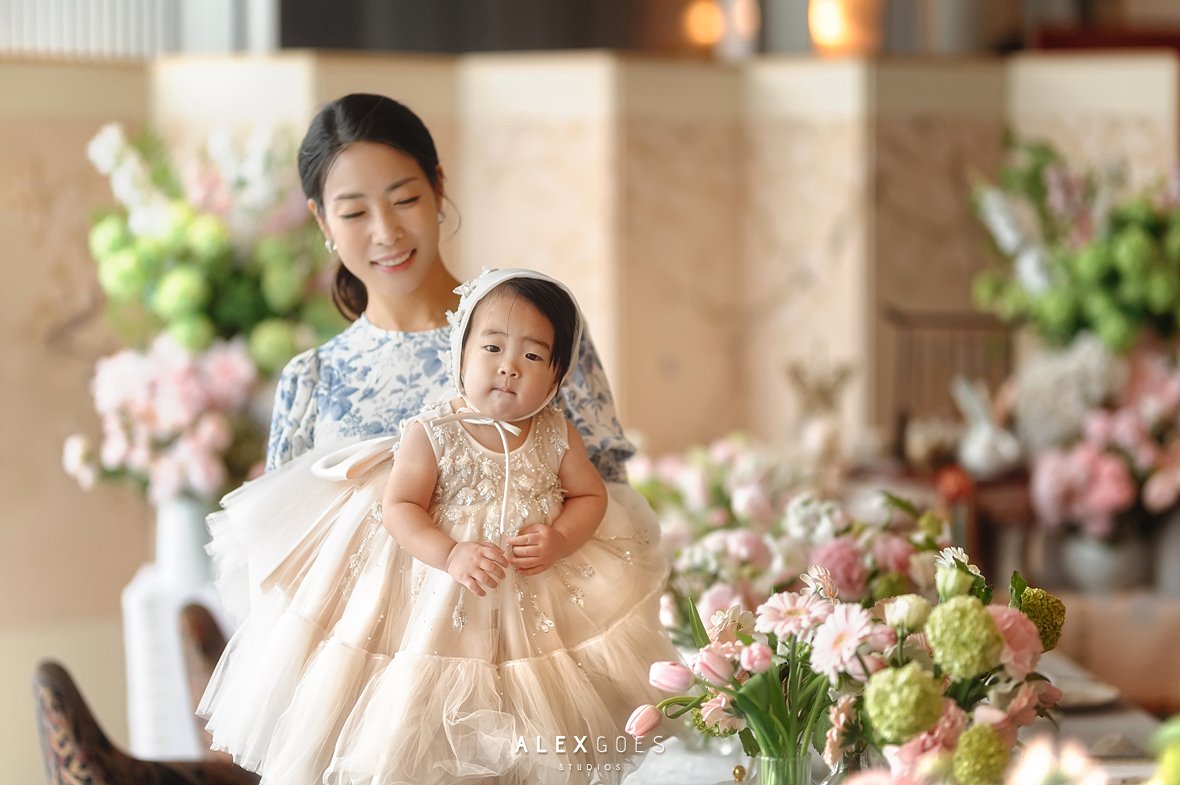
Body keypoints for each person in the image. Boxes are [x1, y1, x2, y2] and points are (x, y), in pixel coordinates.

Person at [197, 268, 681, 785]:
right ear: (461, 354)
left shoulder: (557, 434)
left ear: (557, 377)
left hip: (537, 597)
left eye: (533, 356)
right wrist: (449, 553)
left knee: (538, 718)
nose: (509, 367)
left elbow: (590, 495)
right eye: (492, 348)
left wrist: (561, 537)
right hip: (441, 597)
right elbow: (400, 506)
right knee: (427, 716)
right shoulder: (434, 430)